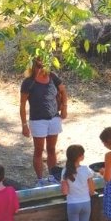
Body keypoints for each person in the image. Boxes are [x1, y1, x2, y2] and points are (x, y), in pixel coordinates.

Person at [20, 56, 69, 184]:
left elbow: (63, 91)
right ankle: (40, 179)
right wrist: (24, 124)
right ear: (33, 65)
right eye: (39, 64)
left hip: (54, 118)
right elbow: (22, 105)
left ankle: (53, 176)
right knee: (38, 150)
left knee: (52, 149)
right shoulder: (28, 82)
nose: (42, 67)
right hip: (37, 120)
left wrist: (64, 108)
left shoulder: (52, 77)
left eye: (44, 64)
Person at [61, 144, 97, 221]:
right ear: (80, 157)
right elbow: (92, 191)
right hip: (86, 203)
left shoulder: (65, 171)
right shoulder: (86, 170)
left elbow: (65, 192)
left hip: (72, 204)